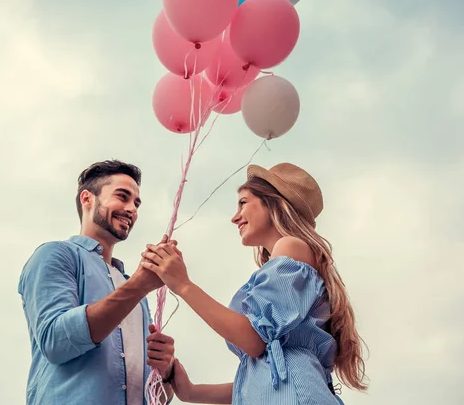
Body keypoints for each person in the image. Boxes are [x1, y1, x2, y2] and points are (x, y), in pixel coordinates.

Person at [141, 162, 368, 404]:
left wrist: (183, 285)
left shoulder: (291, 246)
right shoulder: (292, 260)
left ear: (273, 203)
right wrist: (190, 392)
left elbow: (254, 341)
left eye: (243, 202)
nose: (234, 217)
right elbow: (265, 379)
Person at [18, 160, 176, 405]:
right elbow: (54, 341)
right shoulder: (55, 255)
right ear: (87, 199)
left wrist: (165, 372)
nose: (131, 209)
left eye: (136, 203)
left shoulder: (136, 295)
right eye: (122, 196)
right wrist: (139, 285)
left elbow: (157, 397)